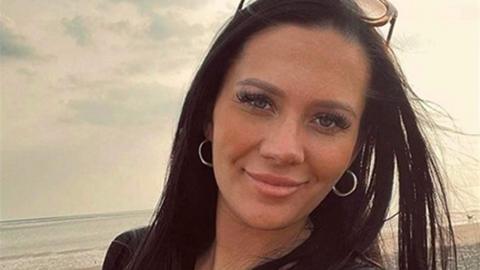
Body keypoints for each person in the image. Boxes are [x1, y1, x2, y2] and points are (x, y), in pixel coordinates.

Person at [103, 0, 458, 269]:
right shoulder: (133, 256)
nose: (283, 149)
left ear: (354, 148)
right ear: (208, 114)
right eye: (257, 101)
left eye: (329, 120)